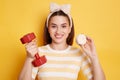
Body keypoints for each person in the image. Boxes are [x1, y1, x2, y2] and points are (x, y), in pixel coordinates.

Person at [18, 3, 106, 80]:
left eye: (63, 26)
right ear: (48, 29)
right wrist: (29, 58)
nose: (58, 31)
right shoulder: (38, 52)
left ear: (69, 29)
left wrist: (94, 57)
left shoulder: (78, 53)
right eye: (53, 26)